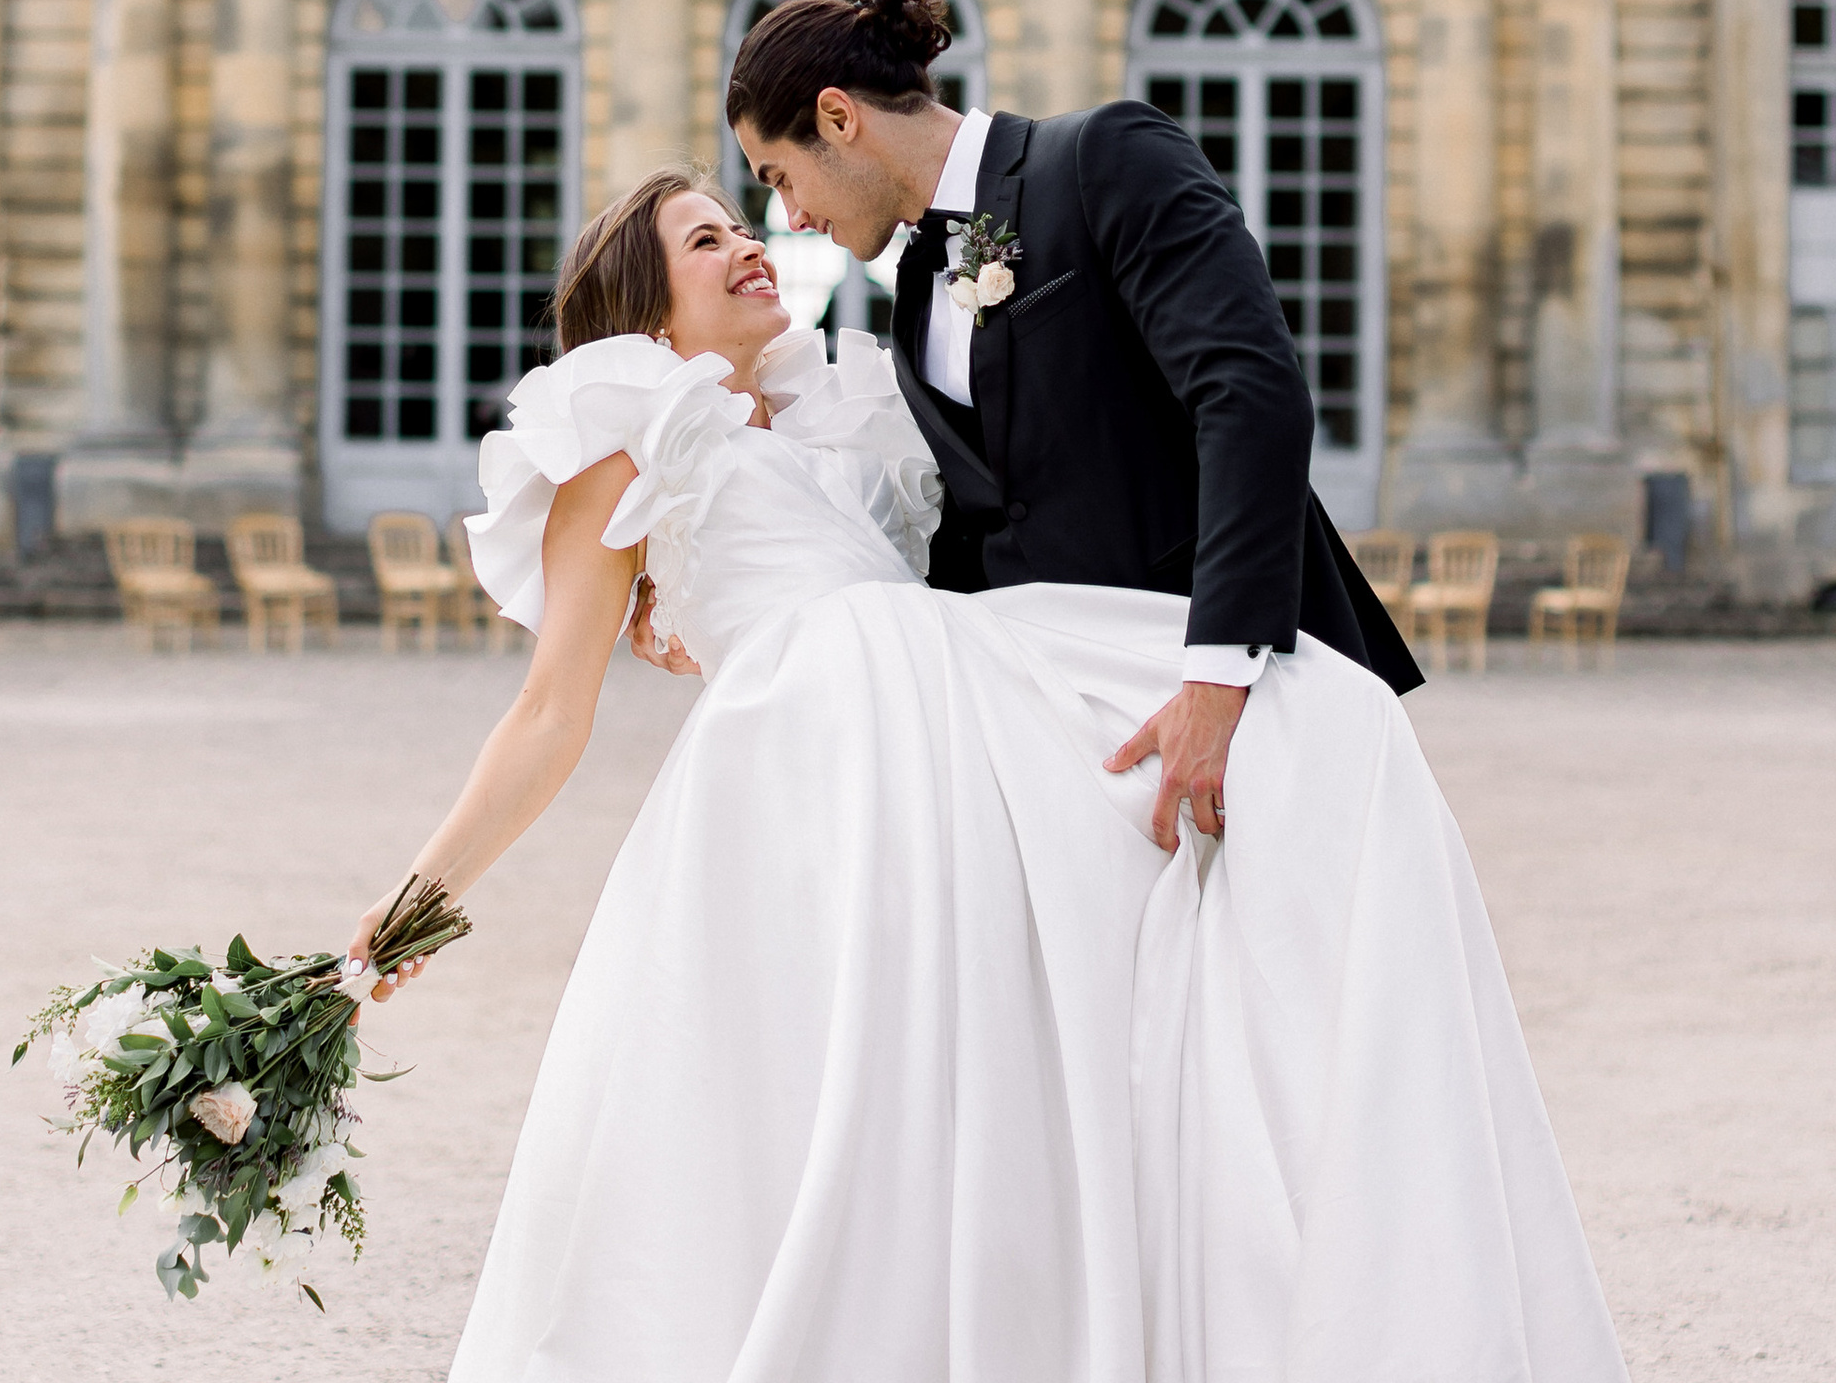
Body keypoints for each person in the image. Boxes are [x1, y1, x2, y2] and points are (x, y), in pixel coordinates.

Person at [350, 168, 1627, 1383]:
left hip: (955, 738)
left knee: (1289, 764)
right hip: (808, 781)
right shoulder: (622, 437)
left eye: (743, 223)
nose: (749, 243)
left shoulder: (844, 415)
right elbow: (548, 709)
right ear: (640, 305)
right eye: (703, 240)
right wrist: (417, 899)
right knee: (817, 1107)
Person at [719, 0, 1419, 851]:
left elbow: (1250, 395)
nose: (793, 215)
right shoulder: (918, 291)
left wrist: (1217, 678)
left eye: (779, 178)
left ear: (837, 117)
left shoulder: (1104, 156)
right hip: (1068, 747)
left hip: (1236, 698)